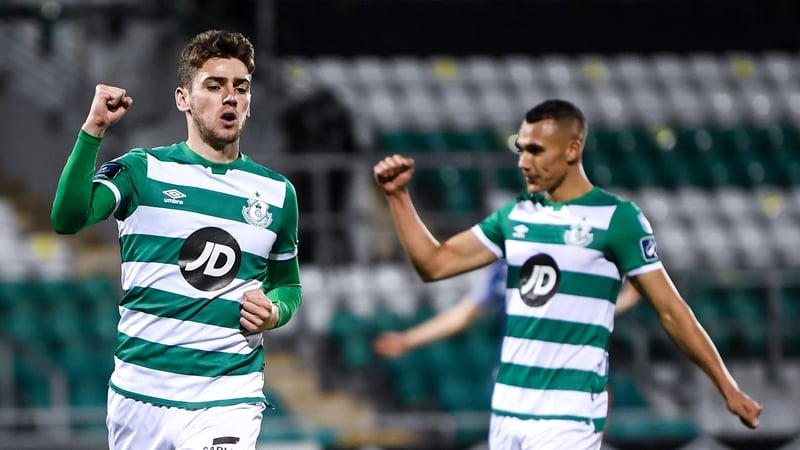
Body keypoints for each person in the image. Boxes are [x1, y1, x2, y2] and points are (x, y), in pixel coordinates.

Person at [373, 99, 762, 450]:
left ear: (573, 149)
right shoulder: (515, 215)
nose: (524, 162)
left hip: (568, 413)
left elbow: (672, 311)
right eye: (521, 149)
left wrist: (727, 387)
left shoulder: (618, 219)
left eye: (536, 150)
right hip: (507, 409)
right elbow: (434, 265)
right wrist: (398, 198)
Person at [50, 30, 302, 450]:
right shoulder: (142, 170)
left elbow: (287, 284)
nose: (230, 97)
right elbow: (67, 219)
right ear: (183, 98)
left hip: (227, 395)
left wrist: (275, 311)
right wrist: (93, 130)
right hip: (140, 394)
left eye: (240, 88)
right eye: (214, 86)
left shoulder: (277, 193)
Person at [373, 260, 641, 358]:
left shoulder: (569, 263)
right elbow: (462, 315)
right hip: (511, 386)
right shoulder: (505, 267)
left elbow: (582, 313)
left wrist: (623, 302)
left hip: (560, 383)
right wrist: (407, 340)